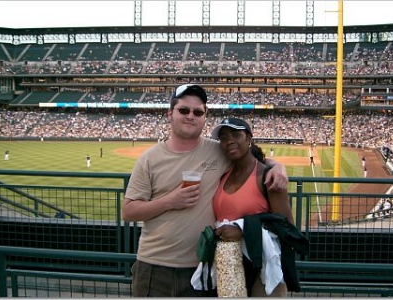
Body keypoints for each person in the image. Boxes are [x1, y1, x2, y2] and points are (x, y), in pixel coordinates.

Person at [122, 84, 289, 297]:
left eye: (198, 112)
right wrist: (170, 201)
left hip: (203, 267)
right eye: (184, 110)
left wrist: (278, 167)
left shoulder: (218, 150)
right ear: (170, 114)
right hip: (154, 266)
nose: (190, 116)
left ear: (204, 117)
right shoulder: (149, 159)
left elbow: (253, 160)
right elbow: (128, 211)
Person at [210, 118, 295, 297]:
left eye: (236, 135)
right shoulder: (223, 174)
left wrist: (243, 230)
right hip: (228, 269)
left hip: (263, 271)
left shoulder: (267, 177)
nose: (229, 141)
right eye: (224, 138)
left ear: (249, 138)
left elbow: (287, 227)